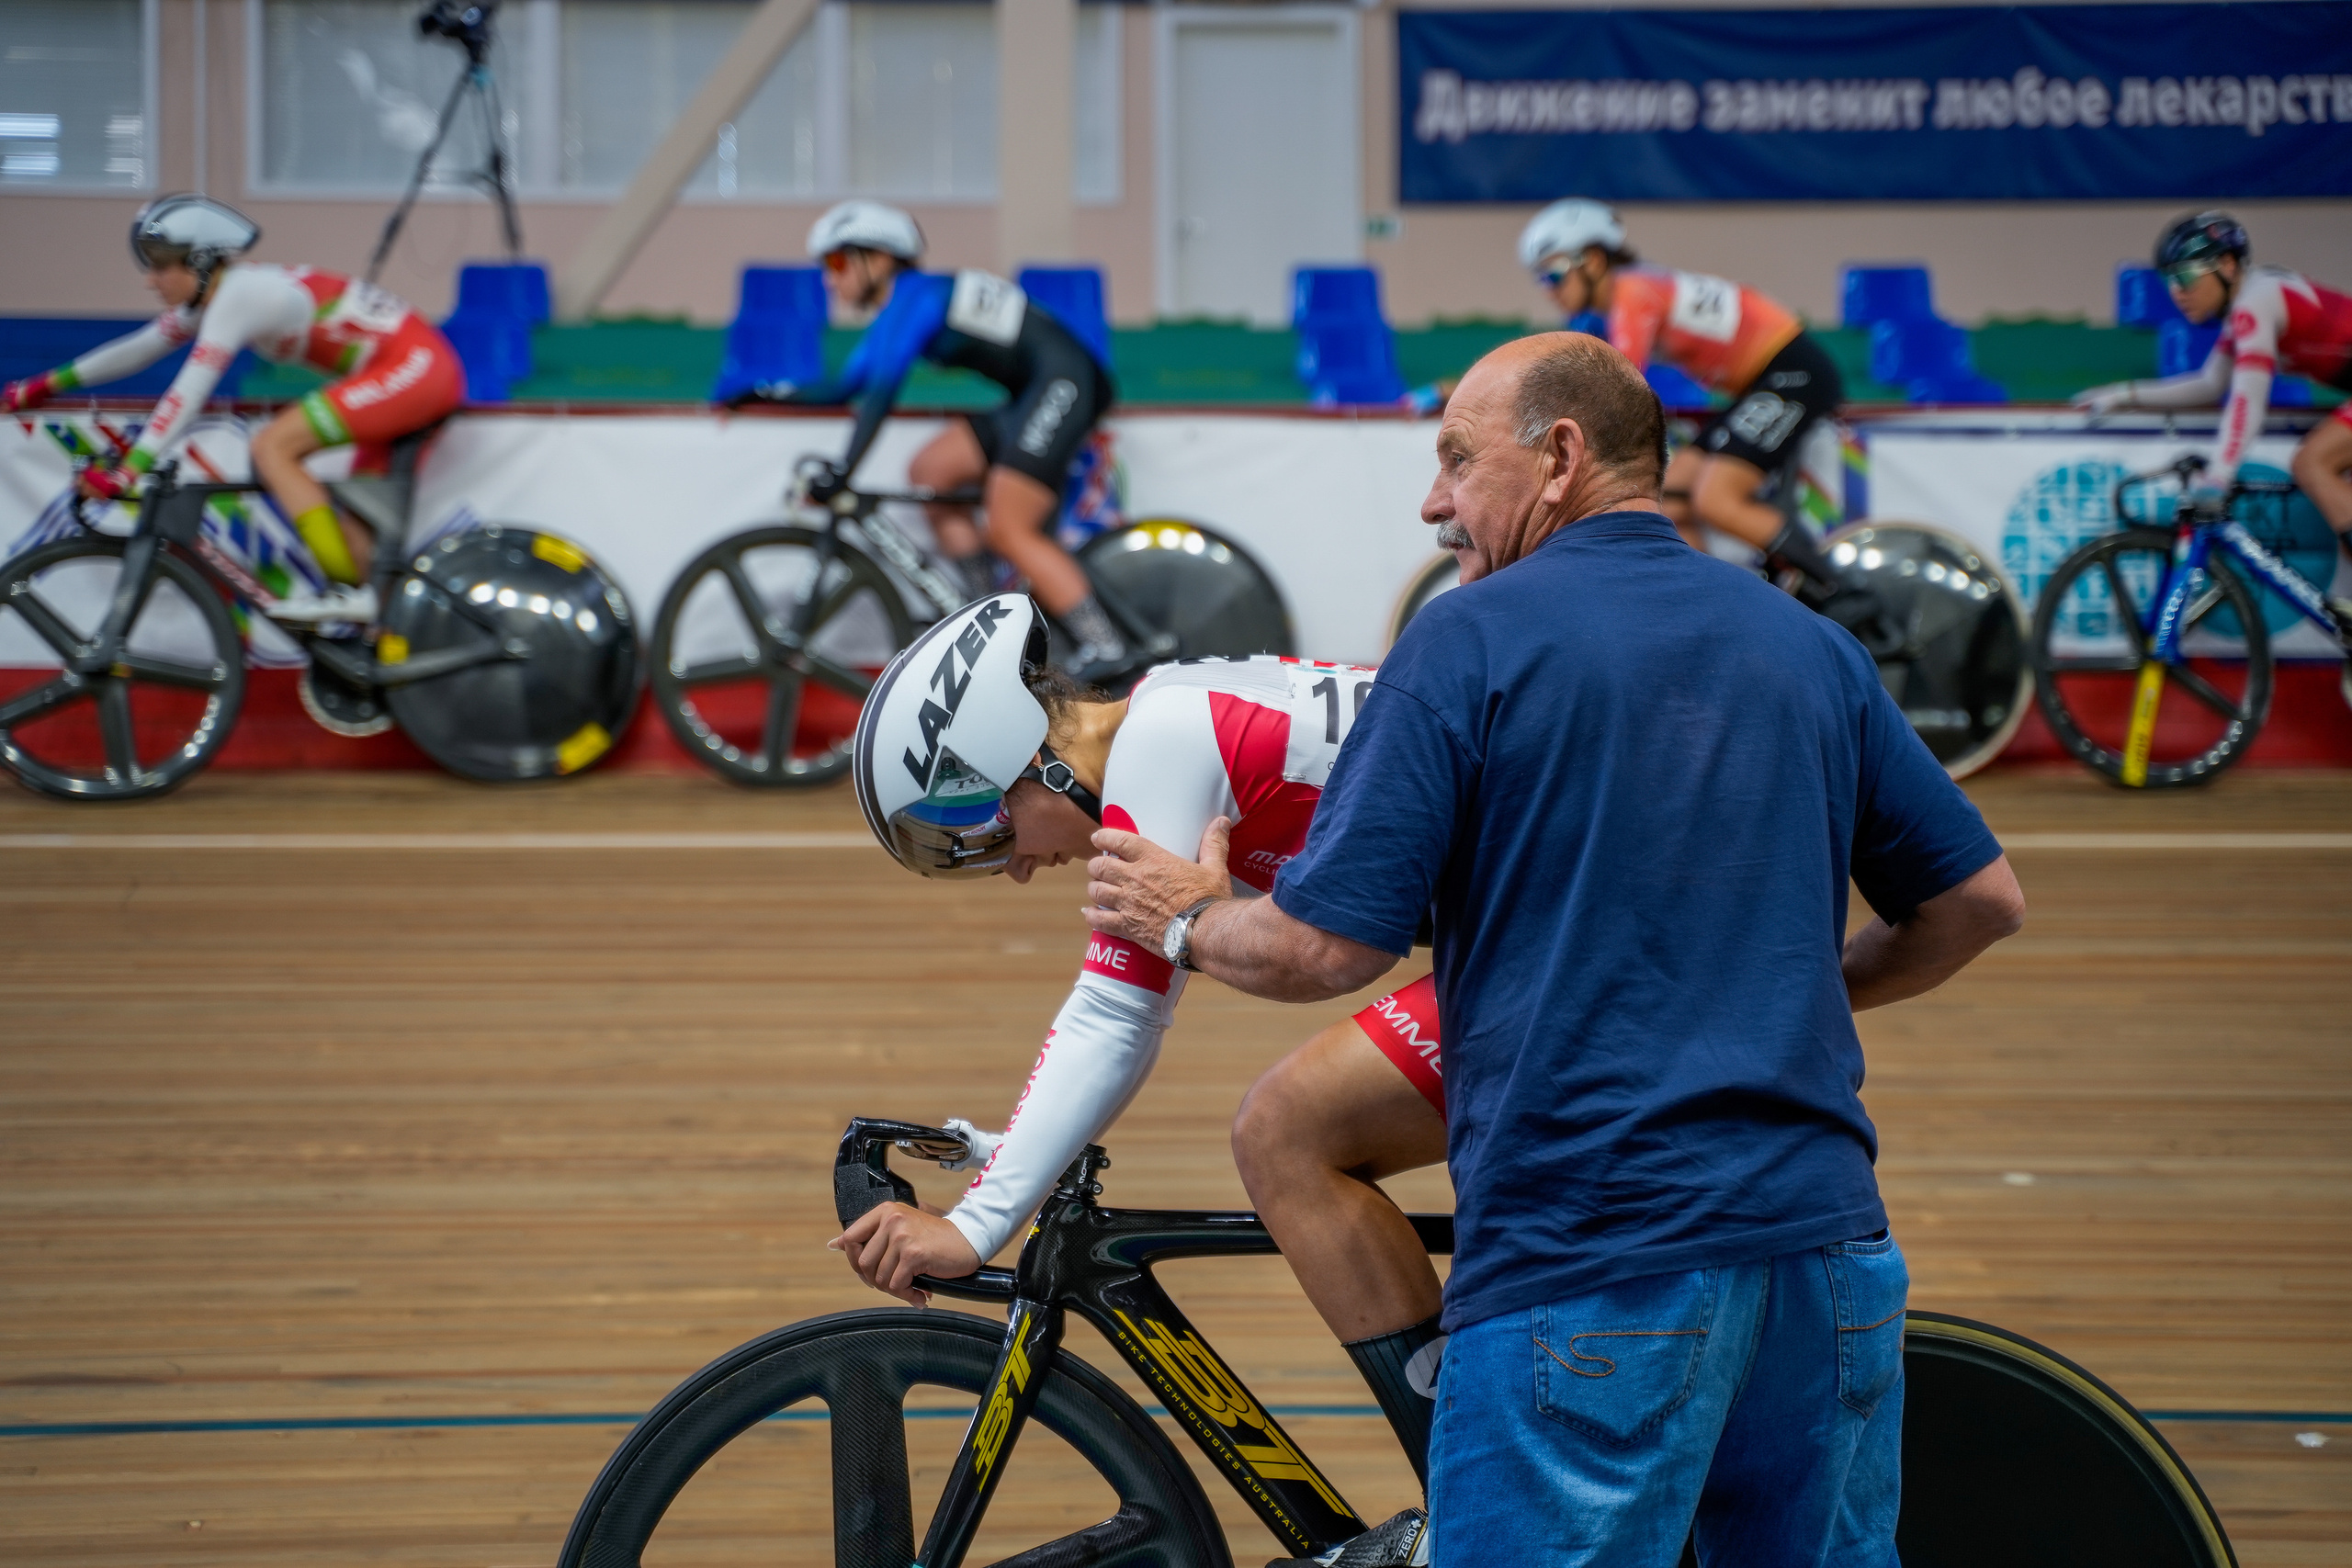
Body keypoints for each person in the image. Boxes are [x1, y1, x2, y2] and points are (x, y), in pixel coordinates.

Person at [1083, 332, 2026, 1565]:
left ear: (1561, 457)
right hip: (1826, 1255)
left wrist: (1184, 913)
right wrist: (1814, 986)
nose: (1435, 501)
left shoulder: (1469, 641)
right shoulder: (1805, 645)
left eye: (1457, 461)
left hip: (1594, 1258)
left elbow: (1320, 947)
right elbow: (1981, 901)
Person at [837, 596, 1451, 1566]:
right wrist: (1019, 1161)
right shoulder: (1175, 710)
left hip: (1587, 943)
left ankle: (1479, 1511)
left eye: (979, 826)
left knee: (1286, 1135)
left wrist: (974, 1226)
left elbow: (1118, 1012)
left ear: (1021, 752)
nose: (1011, 871)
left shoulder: (1163, 739)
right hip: (1559, 919)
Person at [0, 194, 465, 624]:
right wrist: (43, 385)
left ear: (199, 262)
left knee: (273, 447)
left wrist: (132, 468)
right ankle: (378, 640)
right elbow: (140, 348)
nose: (150, 280)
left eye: (161, 267)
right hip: (407, 368)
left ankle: (346, 594)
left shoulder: (241, 297)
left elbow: (189, 389)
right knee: (357, 539)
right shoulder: (223, 294)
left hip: (415, 369)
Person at [735, 201, 1136, 682]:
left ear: (879, 260)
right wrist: (756, 392)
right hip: (1038, 389)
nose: (828, 279)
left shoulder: (919, 299)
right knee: (931, 470)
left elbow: (882, 391)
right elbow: (843, 387)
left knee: (1011, 526)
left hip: (1068, 381)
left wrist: (846, 469)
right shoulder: (903, 307)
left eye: (838, 263)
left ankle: (1105, 644)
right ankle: (993, 613)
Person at [1517, 198, 1894, 648]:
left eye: (1553, 272)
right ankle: (1714, 613)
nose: (1548, 288)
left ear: (1593, 260)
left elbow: (1616, 380)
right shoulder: (1626, 295)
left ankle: (1842, 590)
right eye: (1541, 278)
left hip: (1794, 372)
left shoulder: (1633, 292)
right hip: (1762, 381)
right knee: (1672, 496)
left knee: (1716, 497)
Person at [2075, 210, 2352, 627]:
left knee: (2312, 463)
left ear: (2225, 266)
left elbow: (2246, 403)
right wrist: (2125, 394)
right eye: (2169, 281)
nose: (2176, 292)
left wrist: (2218, 477)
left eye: (2184, 277)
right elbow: (2209, 384)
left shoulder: (2254, 303)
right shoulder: (2249, 300)